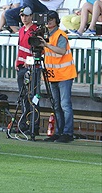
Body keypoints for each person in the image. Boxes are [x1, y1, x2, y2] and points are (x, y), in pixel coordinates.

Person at [39, 10, 77, 143]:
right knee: (56, 105)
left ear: (56, 20)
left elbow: (61, 51)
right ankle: (60, 132)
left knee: (65, 104)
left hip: (64, 74)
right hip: (53, 75)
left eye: (51, 18)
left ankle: (67, 133)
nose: (49, 21)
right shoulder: (45, 35)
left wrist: (46, 45)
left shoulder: (60, 35)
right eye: (47, 18)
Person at [15, 7, 40, 135]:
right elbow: (21, 47)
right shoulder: (21, 30)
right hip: (21, 66)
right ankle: (24, 123)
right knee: (23, 96)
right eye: (22, 16)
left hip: (31, 67)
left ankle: (34, 125)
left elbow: (36, 50)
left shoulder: (35, 30)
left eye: (26, 16)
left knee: (32, 96)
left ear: (31, 16)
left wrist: (28, 61)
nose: (24, 18)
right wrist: (16, 61)